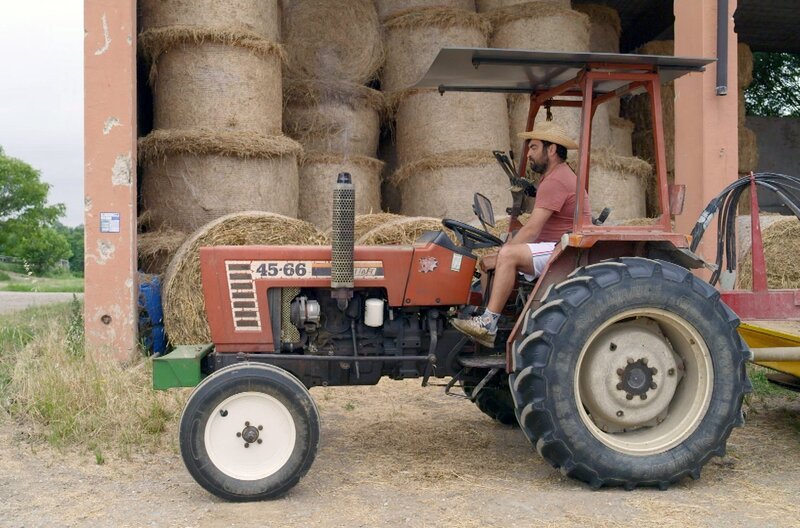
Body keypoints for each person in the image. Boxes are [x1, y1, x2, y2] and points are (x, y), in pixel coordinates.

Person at [451, 121, 591, 347]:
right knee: (489, 261)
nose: (530, 154)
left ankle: (488, 323)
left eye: (534, 148)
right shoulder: (557, 176)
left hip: (563, 249)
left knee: (507, 255)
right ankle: (497, 317)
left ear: (552, 149)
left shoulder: (556, 180)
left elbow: (533, 229)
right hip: (556, 246)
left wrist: (504, 251)